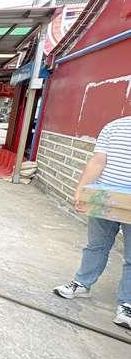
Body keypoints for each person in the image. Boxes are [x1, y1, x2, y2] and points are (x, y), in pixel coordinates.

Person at [53, 116, 131, 330]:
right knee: (96, 245)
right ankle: (82, 284)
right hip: (104, 197)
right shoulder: (114, 127)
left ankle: (127, 304)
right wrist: (82, 190)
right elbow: (98, 161)